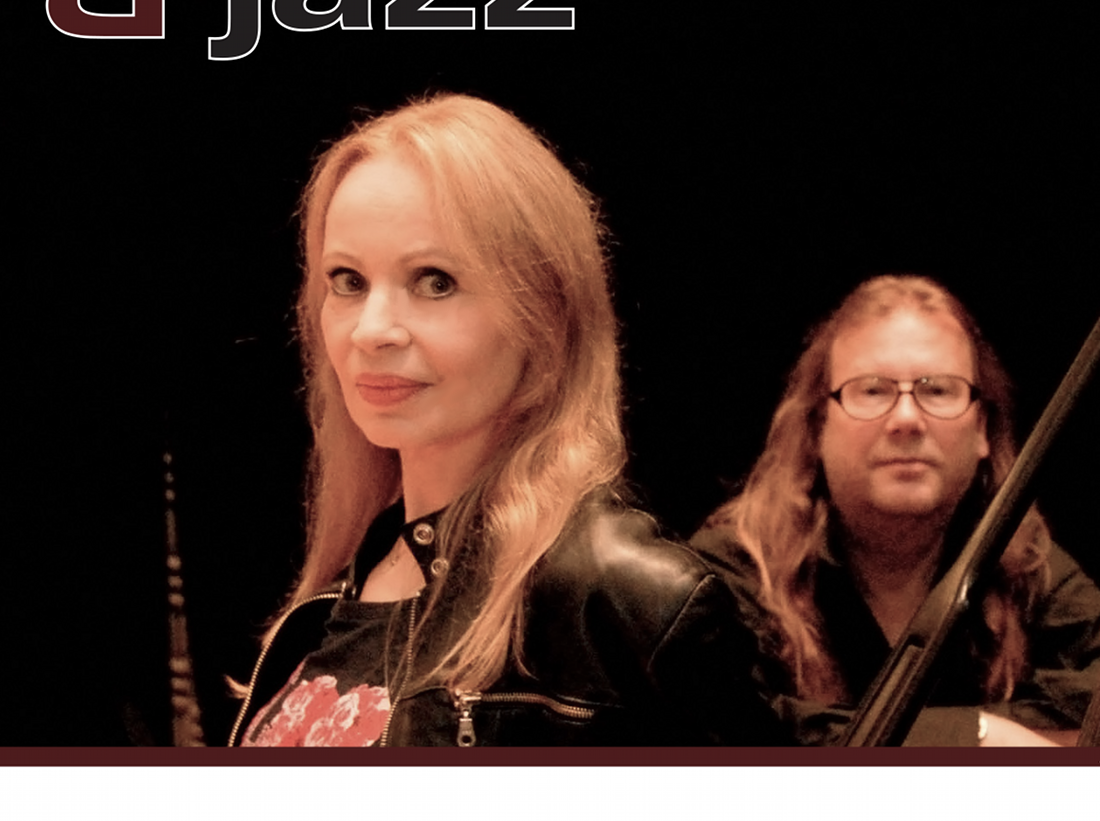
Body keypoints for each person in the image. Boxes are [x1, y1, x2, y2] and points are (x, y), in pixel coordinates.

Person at [230, 93, 785, 747]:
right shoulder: (332, 599)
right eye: (348, 281)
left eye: (435, 281)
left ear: (543, 312)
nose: (371, 330)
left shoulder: (625, 602)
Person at [692, 275, 1100, 747]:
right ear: (818, 426)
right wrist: (977, 736)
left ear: (982, 428)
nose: (906, 419)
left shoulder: (1029, 567)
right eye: (872, 390)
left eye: (938, 390)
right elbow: (740, 732)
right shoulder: (728, 575)